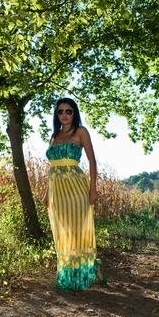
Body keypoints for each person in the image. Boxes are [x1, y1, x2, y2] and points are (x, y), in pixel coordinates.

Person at [45, 97, 106, 291]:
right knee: (64, 232)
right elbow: (51, 169)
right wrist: (47, 193)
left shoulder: (80, 131)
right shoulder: (54, 136)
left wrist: (93, 188)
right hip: (57, 191)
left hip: (76, 187)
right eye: (60, 111)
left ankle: (90, 267)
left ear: (75, 113)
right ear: (56, 115)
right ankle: (69, 272)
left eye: (68, 111)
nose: (64, 115)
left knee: (79, 230)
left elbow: (92, 161)